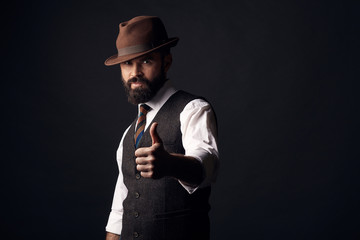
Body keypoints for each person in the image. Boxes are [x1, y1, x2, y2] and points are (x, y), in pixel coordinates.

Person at [104, 16, 219, 240]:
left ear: (166, 62)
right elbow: (120, 208)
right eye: (127, 63)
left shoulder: (194, 109)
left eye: (146, 61)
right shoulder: (129, 133)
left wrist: (171, 164)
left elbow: (208, 166)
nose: (134, 72)